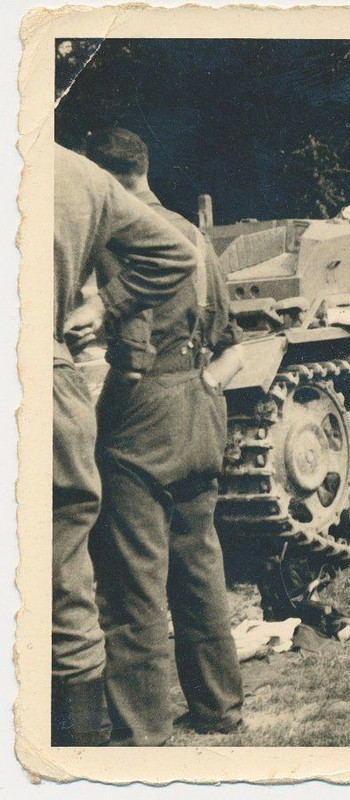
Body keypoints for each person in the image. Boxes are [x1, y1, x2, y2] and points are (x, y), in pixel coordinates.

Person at [83, 127, 245, 745]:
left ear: (102, 180)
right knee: (200, 567)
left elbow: (125, 346)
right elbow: (227, 332)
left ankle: (143, 735)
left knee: (134, 587)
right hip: (201, 404)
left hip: (141, 413)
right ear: (144, 170)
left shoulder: (119, 240)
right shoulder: (193, 235)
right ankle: (219, 710)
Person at [52, 143, 199, 746]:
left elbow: (134, 355)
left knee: (135, 570)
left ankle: (145, 731)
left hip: (144, 406)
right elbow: (179, 264)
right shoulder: (83, 179)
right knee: (78, 581)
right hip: (181, 397)